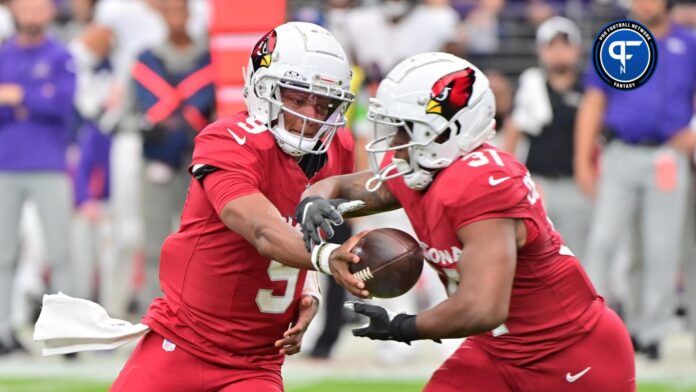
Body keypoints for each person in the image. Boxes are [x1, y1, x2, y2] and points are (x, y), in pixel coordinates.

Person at [297, 52, 635, 391]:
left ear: (448, 130)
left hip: (569, 352)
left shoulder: (481, 182)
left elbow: (482, 308)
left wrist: (403, 326)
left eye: (404, 129)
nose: (394, 143)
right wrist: (314, 199)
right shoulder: (422, 170)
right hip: (497, 350)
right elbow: (346, 186)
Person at [110, 22, 365, 391]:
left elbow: (304, 231)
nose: (312, 115)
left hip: (255, 361)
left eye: (324, 103)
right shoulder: (227, 140)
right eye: (297, 98)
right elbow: (262, 229)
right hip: (183, 341)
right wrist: (325, 260)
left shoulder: (337, 147)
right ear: (264, 90)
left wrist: (309, 286)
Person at [574, 0, 696, 359]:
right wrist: (583, 160)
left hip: (666, 157)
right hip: (620, 153)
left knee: (661, 249)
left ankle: (651, 333)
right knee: (604, 241)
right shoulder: (616, 39)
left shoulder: (688, 45)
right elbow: (594, 101)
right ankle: (593, 328)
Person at [0, 0, 76, 355]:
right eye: (24, 7)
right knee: (3, 254)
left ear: (49, 12)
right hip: (6, 164)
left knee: (60, 251)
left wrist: (19, 97)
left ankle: (69, 334)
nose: (30, 14)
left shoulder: (61, 55)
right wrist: (33, 98)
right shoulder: (4, 53)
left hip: (49, 164)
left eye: (37, 7)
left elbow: (62, 104)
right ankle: (2, 330)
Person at [130, 0, 215, 310]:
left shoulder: (207, 60)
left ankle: (194, 310)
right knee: (154, 240)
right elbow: (129, 113)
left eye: (179, 9)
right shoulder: (147, 61)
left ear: (189, 14)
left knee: (197, 243)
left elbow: (219, 114)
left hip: (198, 161)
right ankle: (151, 311)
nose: (174, 17)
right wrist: (150, 127)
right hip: (156, 159)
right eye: (168, 11)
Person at [503, 16, 591, 261]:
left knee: (577, 256)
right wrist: (510, 184)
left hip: (576, 185)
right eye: (552, 46)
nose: (559, 52)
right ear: (542, 51)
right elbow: (514, 132)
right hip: (538, 185)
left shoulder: (588, 89)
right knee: (534, 256)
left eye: (565, 45)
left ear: (576, 49)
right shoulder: (531, 85)